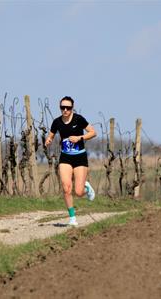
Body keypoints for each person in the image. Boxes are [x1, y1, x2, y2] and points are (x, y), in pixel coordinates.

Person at [45, 96, 96, 226]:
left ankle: (86, 187)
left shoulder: (79, 119)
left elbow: (93, 132)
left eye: (68, 107)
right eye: (63, 107)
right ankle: (72, 218)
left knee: (78, 192)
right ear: (60, 108)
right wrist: (49, 140)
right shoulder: (57, 122)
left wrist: (80, 137)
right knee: (66, 188)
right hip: (65, 157)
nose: (65, 110)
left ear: (72, 108)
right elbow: (51, 134)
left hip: (80, 157)